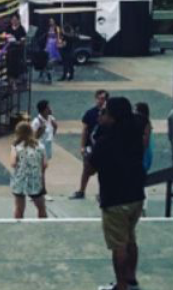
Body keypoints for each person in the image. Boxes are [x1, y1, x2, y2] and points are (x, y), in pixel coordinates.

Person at [86, 97, 146, 290]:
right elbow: (141, 120)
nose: (101, 114)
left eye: (104, 112)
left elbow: (91, 169)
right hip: (136, 194)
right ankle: (131, 279)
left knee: (118, 245)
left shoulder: (105, 142)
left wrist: (89, 152)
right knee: (131, 238)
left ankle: (121, 286)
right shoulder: (135, 131)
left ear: (113, 117)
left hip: (114, 199)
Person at [71, 89, 110, 199]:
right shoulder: (90, 113)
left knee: (104, 171)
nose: (100, 101)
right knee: (86, 169)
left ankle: (102, 192)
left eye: (103, 99)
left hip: (104, 147)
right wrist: (82, 146)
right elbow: (85, 130)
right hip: (91, 147)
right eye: (99, 98)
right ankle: (81, 190)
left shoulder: (110, 114)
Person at [10, 121, 48, 219]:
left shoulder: (16, 147)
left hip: (20, 180)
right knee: (41, 207)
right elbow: (45, 164)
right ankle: (43, 227)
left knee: (19, 208)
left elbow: (13, 163)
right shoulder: (40, 146)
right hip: (35, 180)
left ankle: (18, 229)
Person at [32, 99, 58, 200]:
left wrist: (55, 130)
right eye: (48, 107)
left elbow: (53, 131)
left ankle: (34, 190)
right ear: (43, 110)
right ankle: (43, 192)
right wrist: (40, 132)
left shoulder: (51, 118)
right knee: (41, 170)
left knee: (41, 170)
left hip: (47, 145)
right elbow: (32, 138)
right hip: (39, 148)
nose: (50, 109)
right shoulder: (36, 122)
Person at [4, 14, 27, 87]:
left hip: (18, 50)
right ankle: (11, 82)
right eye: (12, 19)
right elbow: (5, 35)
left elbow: (24, 38)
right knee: (10, 66)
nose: (13, 21)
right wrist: (6, 36)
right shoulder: (8, 28)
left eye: (15, 19)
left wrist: (21, 40)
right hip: (10, 50)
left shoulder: (21, 28)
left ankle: (17, 82)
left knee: (18, 66)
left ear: (18, 20)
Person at [135, 102, 153, 173]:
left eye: (135, 110)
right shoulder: (145, 123)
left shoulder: (145, 123)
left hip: (143, 153)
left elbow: (146, 142)